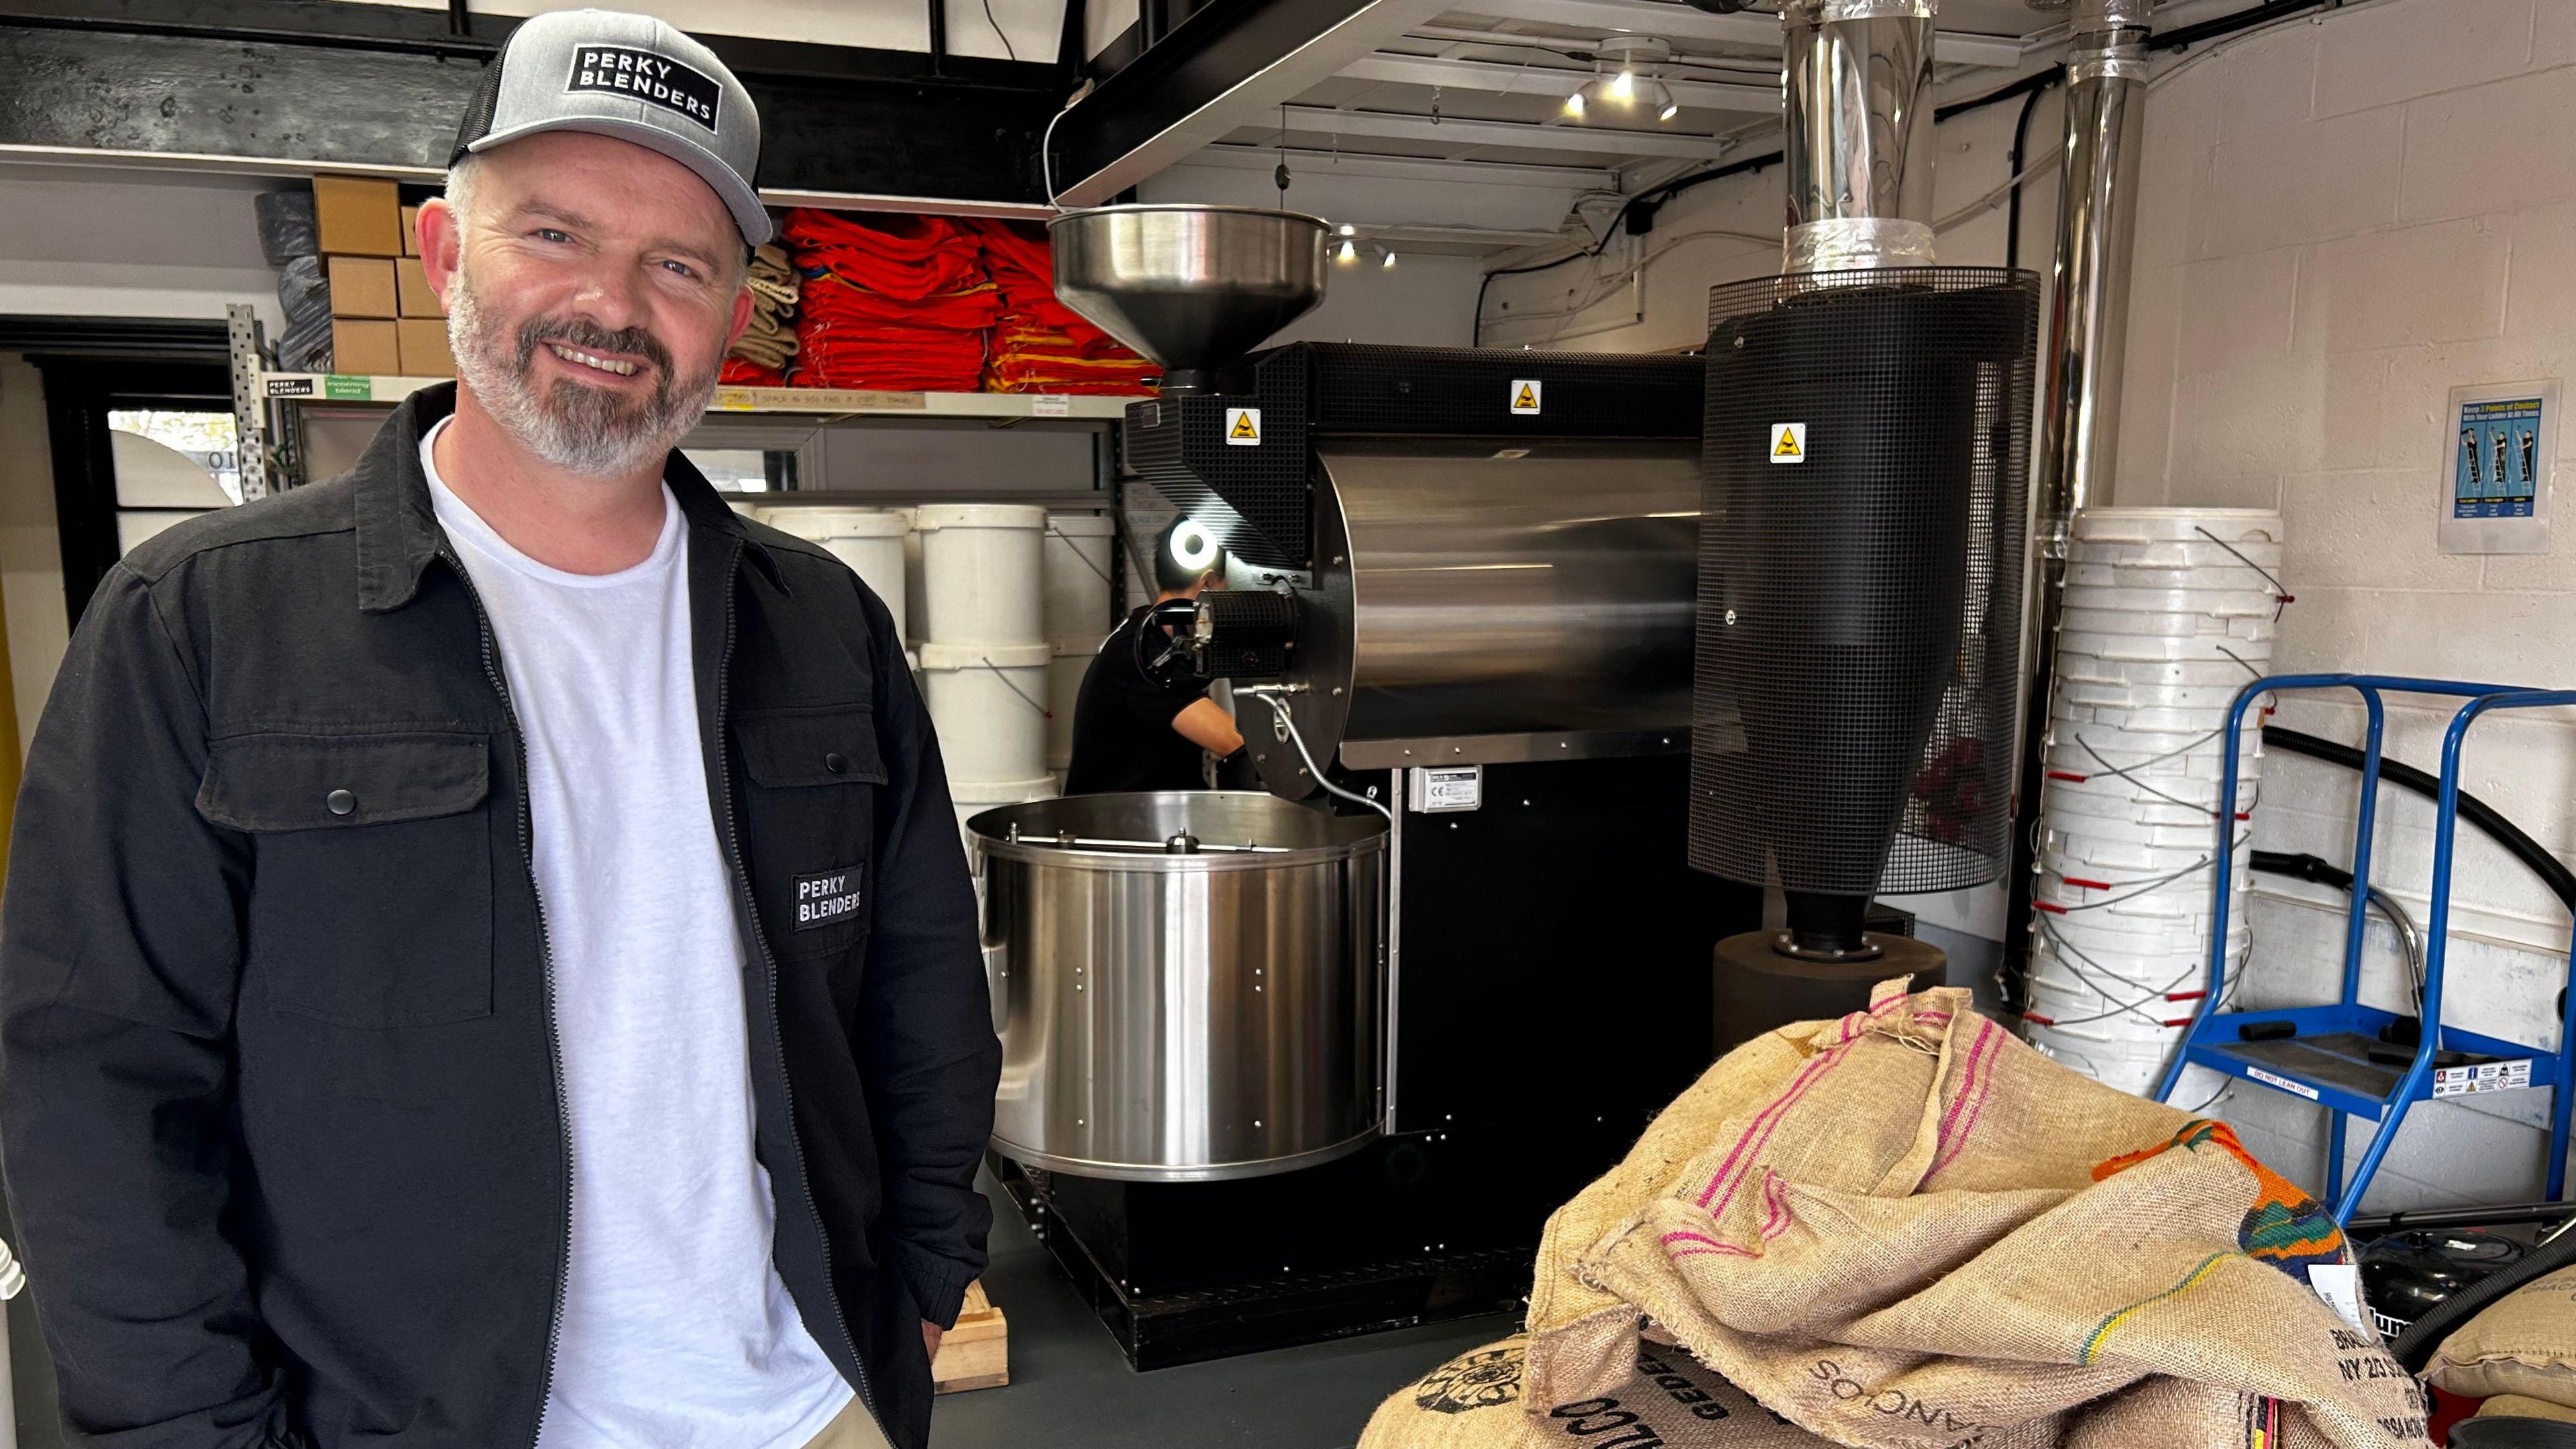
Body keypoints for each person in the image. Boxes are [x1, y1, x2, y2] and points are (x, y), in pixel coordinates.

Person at [0, 13, 996, 1449]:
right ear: (446, 253)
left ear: (730, 308)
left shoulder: (823, 627)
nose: (613, 303)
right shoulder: (199, 623)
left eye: (679, 265)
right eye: (555, 234)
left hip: (802, 1403)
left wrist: (921, 1276)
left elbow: (923, 991)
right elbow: (94, 1085)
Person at [1063, 520, 1248, 794]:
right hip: (1119, 826)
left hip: (1156, 813)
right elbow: (1230, 741)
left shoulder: (1153, 632)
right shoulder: (1144, 653)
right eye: (1233, 587)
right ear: (1207, 583)